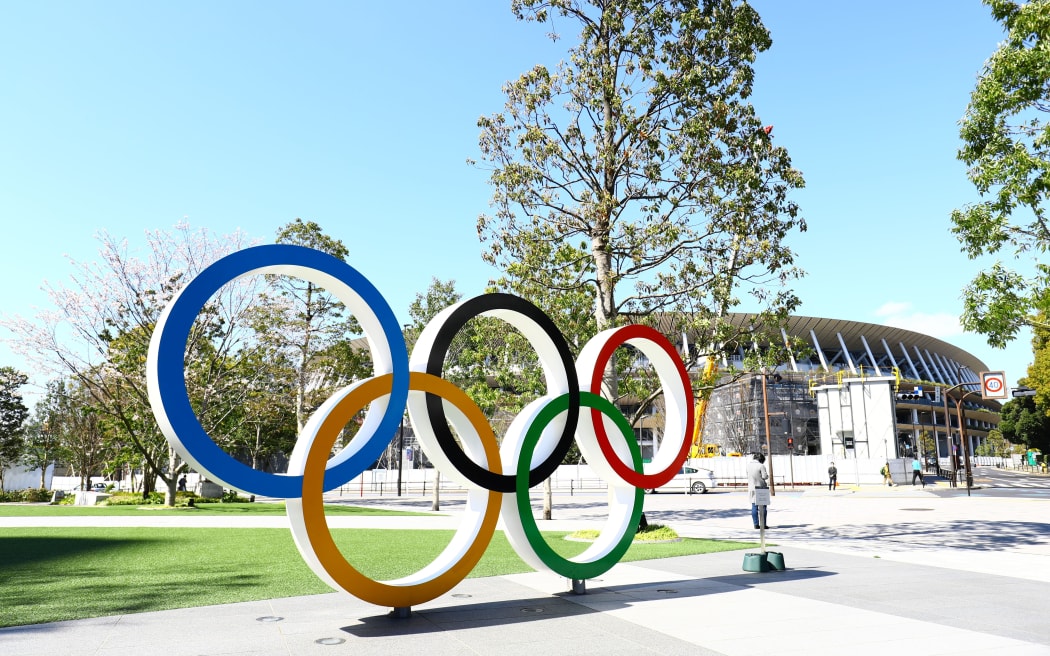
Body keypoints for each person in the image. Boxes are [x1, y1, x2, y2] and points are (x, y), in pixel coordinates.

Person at [747, 453, 769, 529]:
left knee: (754, 506)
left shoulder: (748, 466)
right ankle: (763, 524)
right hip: (761, 487)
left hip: (751, 487)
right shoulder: (761, 466)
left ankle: (756, 524)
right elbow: (764, 476)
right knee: (763, 507)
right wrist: (767, 476)